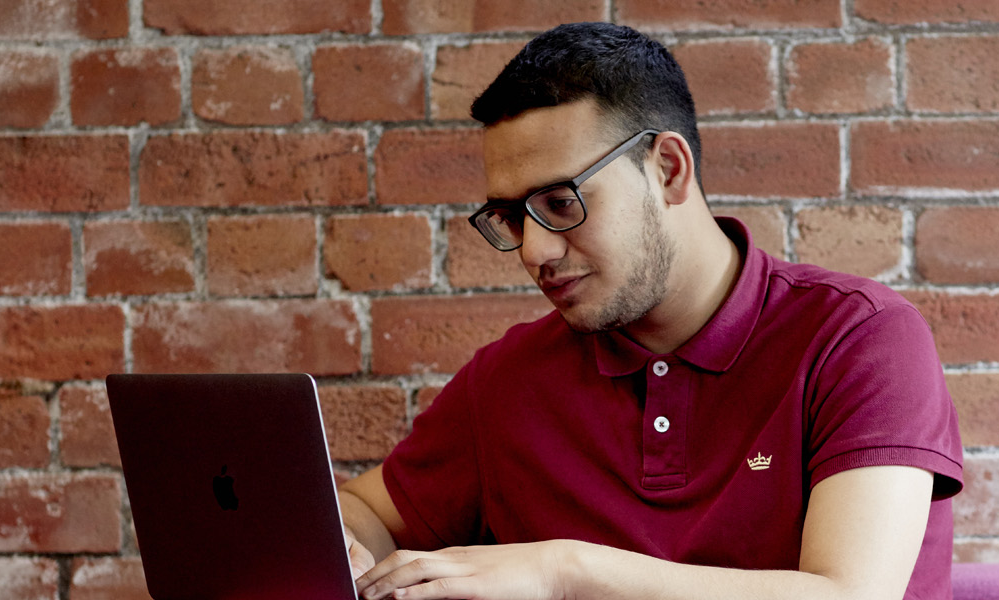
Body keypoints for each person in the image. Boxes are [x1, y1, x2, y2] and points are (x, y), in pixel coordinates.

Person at [337, 21, 964, 600]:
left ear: (667, 169)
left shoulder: (858, 338)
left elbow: (849, 594)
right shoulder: (507, 382)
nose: (534, 250)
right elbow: (361, 514)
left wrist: (564, 571)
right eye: (511, 217)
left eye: (560, 203)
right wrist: (343, 546)